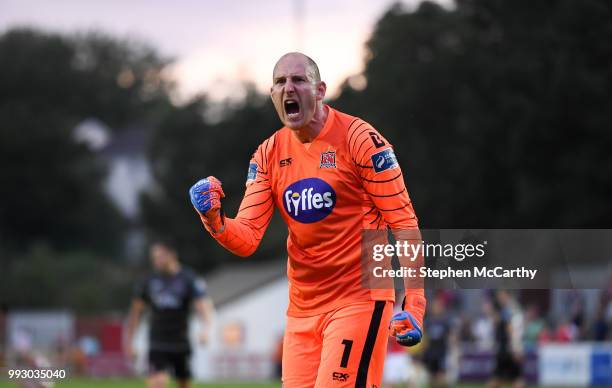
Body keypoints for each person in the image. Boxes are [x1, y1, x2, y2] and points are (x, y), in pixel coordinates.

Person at [189, 52, 426, 387]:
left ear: (319, 90)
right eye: (280, 82)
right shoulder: (268, 154)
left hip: (358, 301)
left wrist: (414, 304)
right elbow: (247, 238)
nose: (289, 88)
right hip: (301, 313)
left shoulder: (359, 139)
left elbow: (403, 223)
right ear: (272, 95)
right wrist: (213, 218)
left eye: (298, 80)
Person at [124, 239, 214, 388]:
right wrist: (130, 343)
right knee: (157, 383)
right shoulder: (148, 281)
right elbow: (135, 314)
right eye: (154, 257)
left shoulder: (188, 278)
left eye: (159, 256)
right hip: (157, 342)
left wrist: (205, 329)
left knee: (184, 383)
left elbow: (203, 307)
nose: (156, 261)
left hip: (181, 342)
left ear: (172, 255)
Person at [488, 290, 524, 388]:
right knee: (509, 379)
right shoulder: (508, 309)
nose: (499, 297)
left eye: (501, 295)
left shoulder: (509, 310)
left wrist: (516, 349)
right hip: (506, 348)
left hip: (508, 349)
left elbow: (512, 330)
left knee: (513, 379)